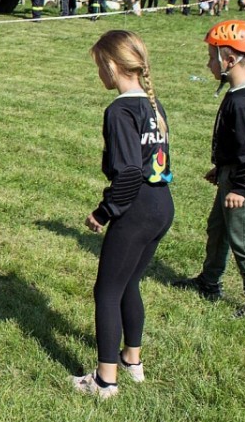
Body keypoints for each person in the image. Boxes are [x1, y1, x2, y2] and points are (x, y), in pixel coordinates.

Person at [70, 30, 174, 399]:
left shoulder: (119, 110)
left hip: (136, 208)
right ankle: (132, 361)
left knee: (107, 291)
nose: (98, 72)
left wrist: (105, 211)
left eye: (99, 65)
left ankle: (105, 381)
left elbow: (129, 171)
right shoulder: (152, 103)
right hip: (162, 204)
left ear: (112, 66)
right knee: (129, 282)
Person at [174, 21, 245, 320]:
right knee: (218, 230)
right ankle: (209, 282)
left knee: (243, 239)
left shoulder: (242, 102)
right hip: (234, 171)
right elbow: (238, 142)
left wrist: (240, 188)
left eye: (211, 57)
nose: (208, 64)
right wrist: (221, 169)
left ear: (229, 60)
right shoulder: (239, 93)